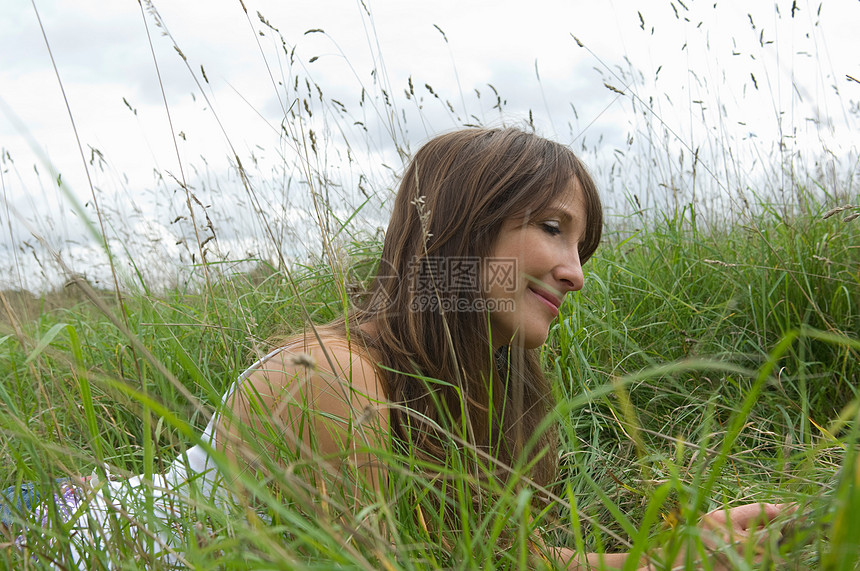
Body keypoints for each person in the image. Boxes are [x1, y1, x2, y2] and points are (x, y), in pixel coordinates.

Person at [1, 127, 786, 569]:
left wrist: (674, 552)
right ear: (465, 225)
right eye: (552, 228)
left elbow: (477, 552)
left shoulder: (478, 386)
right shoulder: (331, 377)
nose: (576, 273)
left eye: (584, 244)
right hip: (57, 534)